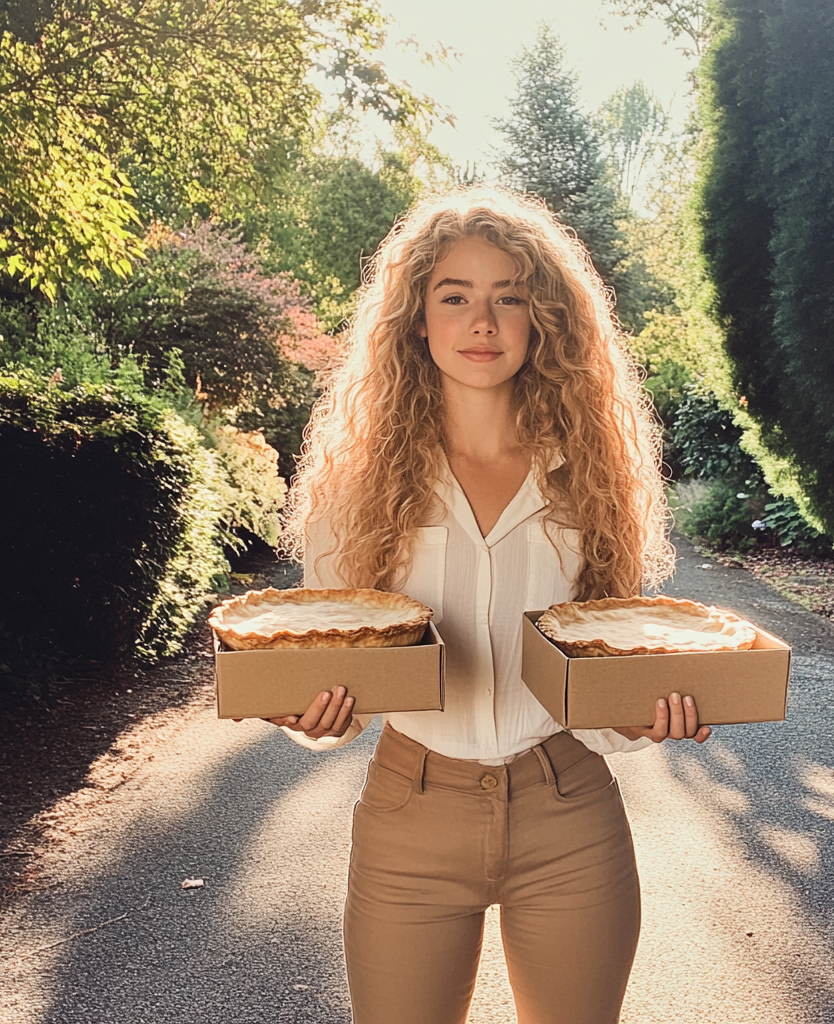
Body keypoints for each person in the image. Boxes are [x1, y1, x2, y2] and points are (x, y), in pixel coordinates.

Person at [274, 187, 711, 1024]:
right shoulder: (354, 487)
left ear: (542, 318)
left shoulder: (591, 475)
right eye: (456, 297)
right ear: (416, 319)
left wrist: (648, 713)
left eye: (509, 296)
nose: (484, 321)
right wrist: (312, 715)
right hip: (410, 816)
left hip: (570, 813)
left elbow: (599, 664)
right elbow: (333, 666)